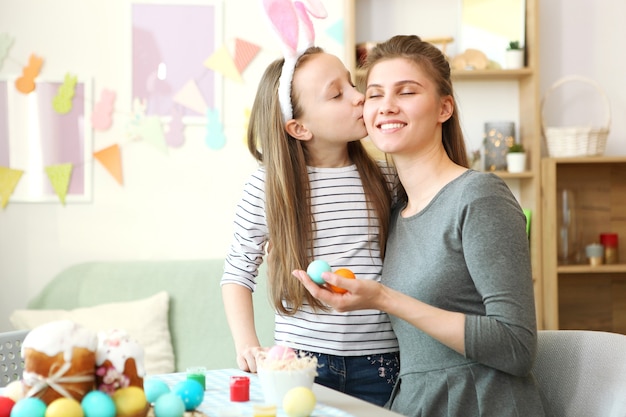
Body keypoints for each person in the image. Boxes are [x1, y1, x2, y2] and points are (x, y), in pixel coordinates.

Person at [293, 35, 550, 417]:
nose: (386, 106)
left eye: (407, 92)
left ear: (444, 107)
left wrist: (383, 297)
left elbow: (517, 347)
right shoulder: (395, 210)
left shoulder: (479, 198)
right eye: (375, 94)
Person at [220, 46, 400, 407]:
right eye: (337, 94)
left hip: (381, 362)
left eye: (352, 83)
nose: (359, 97)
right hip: (302, 361)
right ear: (299, 128)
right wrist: (247, 345)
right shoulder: (269, 186)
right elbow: (237, 271)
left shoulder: (388, 177)